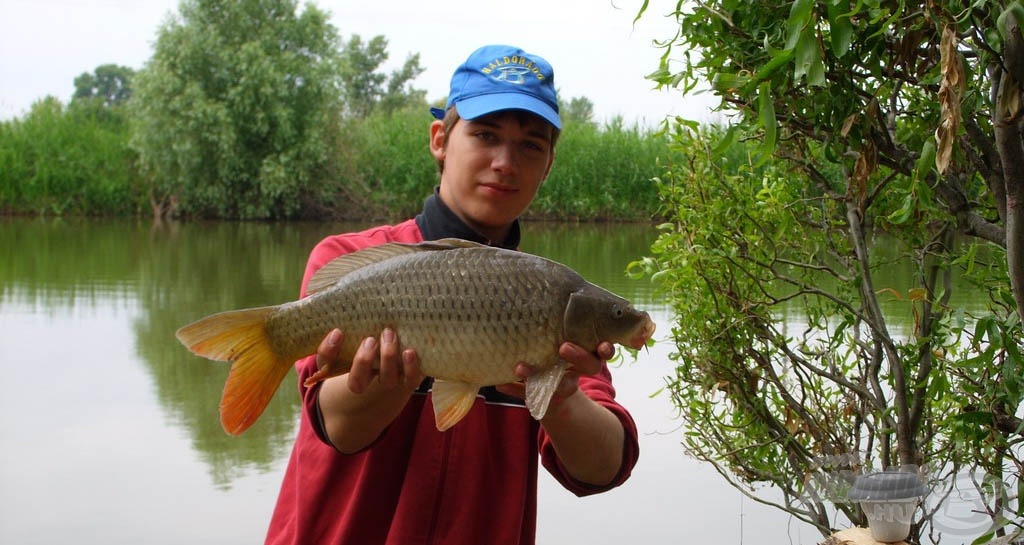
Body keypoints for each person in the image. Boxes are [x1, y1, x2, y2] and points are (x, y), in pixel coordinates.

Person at [264, 44, 639, 545]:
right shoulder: (347, 256)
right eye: (486, 135)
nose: (505, 163)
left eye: (531, 145)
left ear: (549, 164)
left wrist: (560, 398)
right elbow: (337, 427)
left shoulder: (554, 299)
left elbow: (603, 468)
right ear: (440, 139)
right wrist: (393, 378)